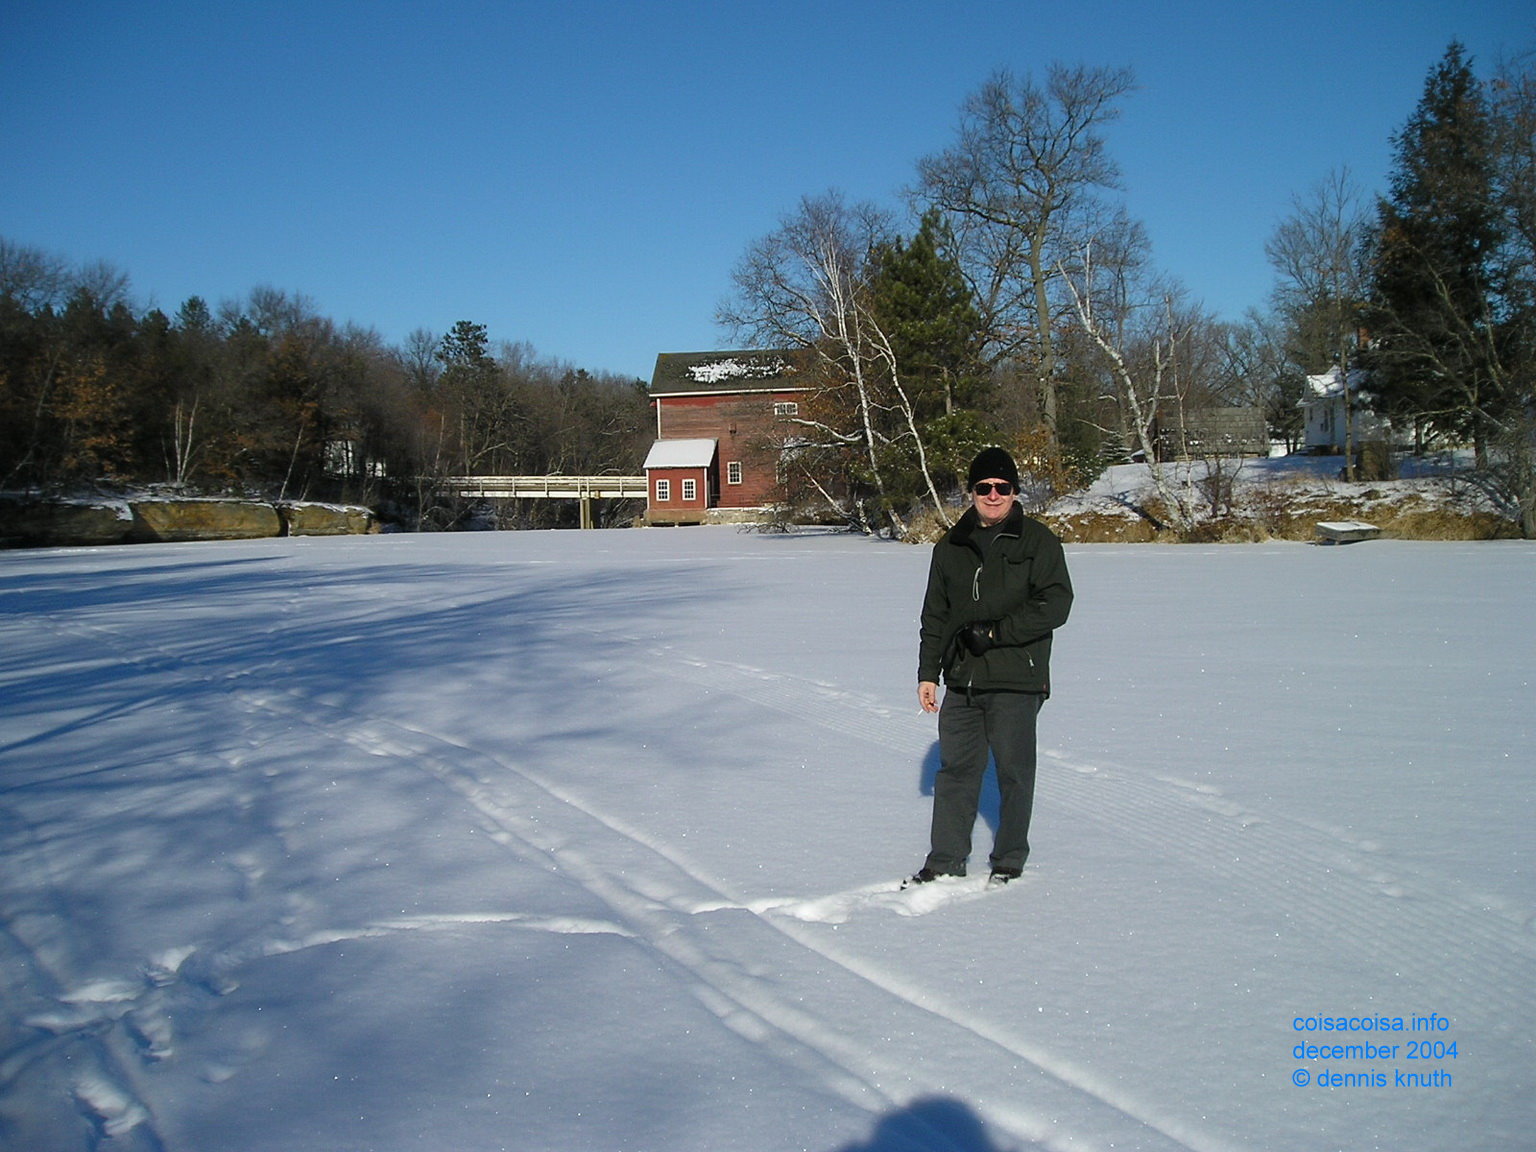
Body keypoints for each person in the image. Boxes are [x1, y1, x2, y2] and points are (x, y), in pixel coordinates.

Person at [912, 446, 1073, 886]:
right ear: (971, 492)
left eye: (1003, 487)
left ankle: (1009, 859)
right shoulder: (951, 547)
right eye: (984, 487)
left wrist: (999, 633)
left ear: (1015, 492)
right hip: (962, 680)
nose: (994, 495)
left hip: (1017, 679)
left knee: (1014, 772)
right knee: (956, 772)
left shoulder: (1038, 541)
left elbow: (1056, 603)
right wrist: (929, 673)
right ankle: (945, 860)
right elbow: (936, 614)